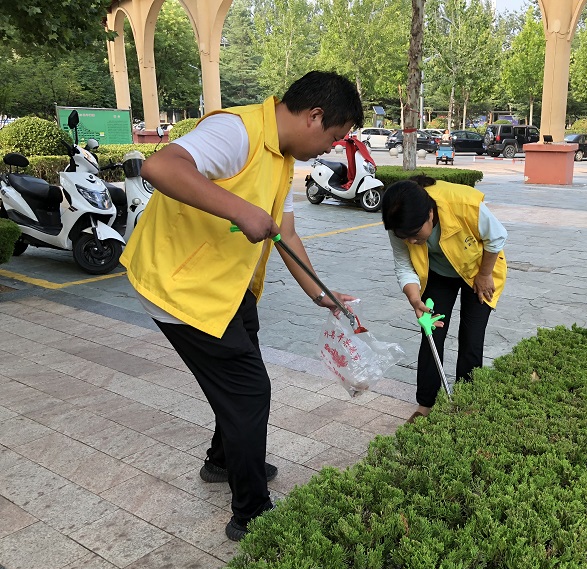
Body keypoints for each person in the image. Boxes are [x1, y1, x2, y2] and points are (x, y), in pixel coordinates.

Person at [119, 71, 363, 541]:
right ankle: (251, 513)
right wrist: (239, 209)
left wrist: (322, 294)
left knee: (239, 377)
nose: (331, 148)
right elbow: (160, 167)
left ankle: (222, 460)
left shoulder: (282, 156)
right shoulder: (238, 132)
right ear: (314, 117)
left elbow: (285, 232)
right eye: (334, 137)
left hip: (228, 288)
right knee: (250, 390)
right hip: (183, 286)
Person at [381, 176, 507, 423]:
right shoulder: (400, 223)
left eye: (415, 235)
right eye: (405, 237)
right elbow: (403, 265)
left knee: (472, 337)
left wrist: (484, 275)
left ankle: (466, 401)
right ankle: (426, 404)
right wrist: (415, 299)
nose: (411, 242)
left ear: (430, 214)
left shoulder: (463, 203)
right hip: (438, 274)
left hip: (476, 271)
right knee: (431, 333)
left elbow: (497, 236)